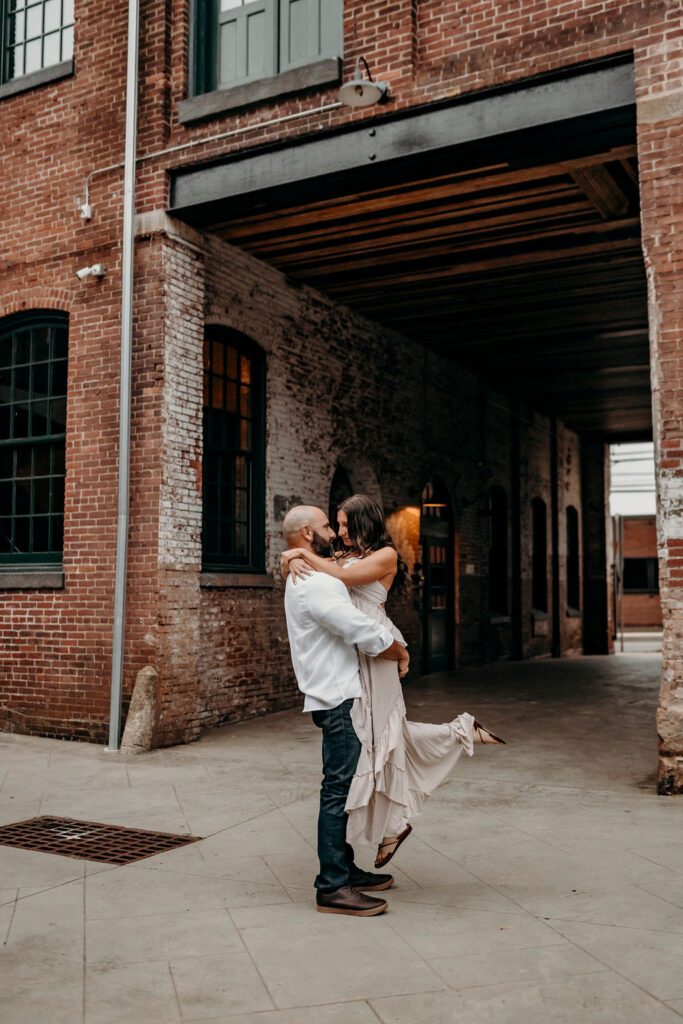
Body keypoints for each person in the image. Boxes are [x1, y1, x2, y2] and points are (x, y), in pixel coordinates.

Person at [282, 493, 504, 870]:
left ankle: (393, 825)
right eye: (334, 526)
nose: (338, 533)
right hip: (358, 652)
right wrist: (292, 556)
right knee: (378, 737)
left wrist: (298, 554)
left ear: (364, 522)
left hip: (378, 644)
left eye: (345, 526)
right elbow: (325, 574)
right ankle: (453, 741)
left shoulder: (384, 556)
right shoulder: (339, 556)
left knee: (384, 733)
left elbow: (344, 579)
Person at [282, 504, 410, 917]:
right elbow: (358, 629)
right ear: (307, 533)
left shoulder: (310, 570)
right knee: (337, 791)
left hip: (336, 692)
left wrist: (293, 556)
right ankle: (332, 886)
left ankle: (346, 869)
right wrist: (398, 649)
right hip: (337, 699)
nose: (333, 534)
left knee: (344, 787)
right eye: (325, 527)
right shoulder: (315, 582)